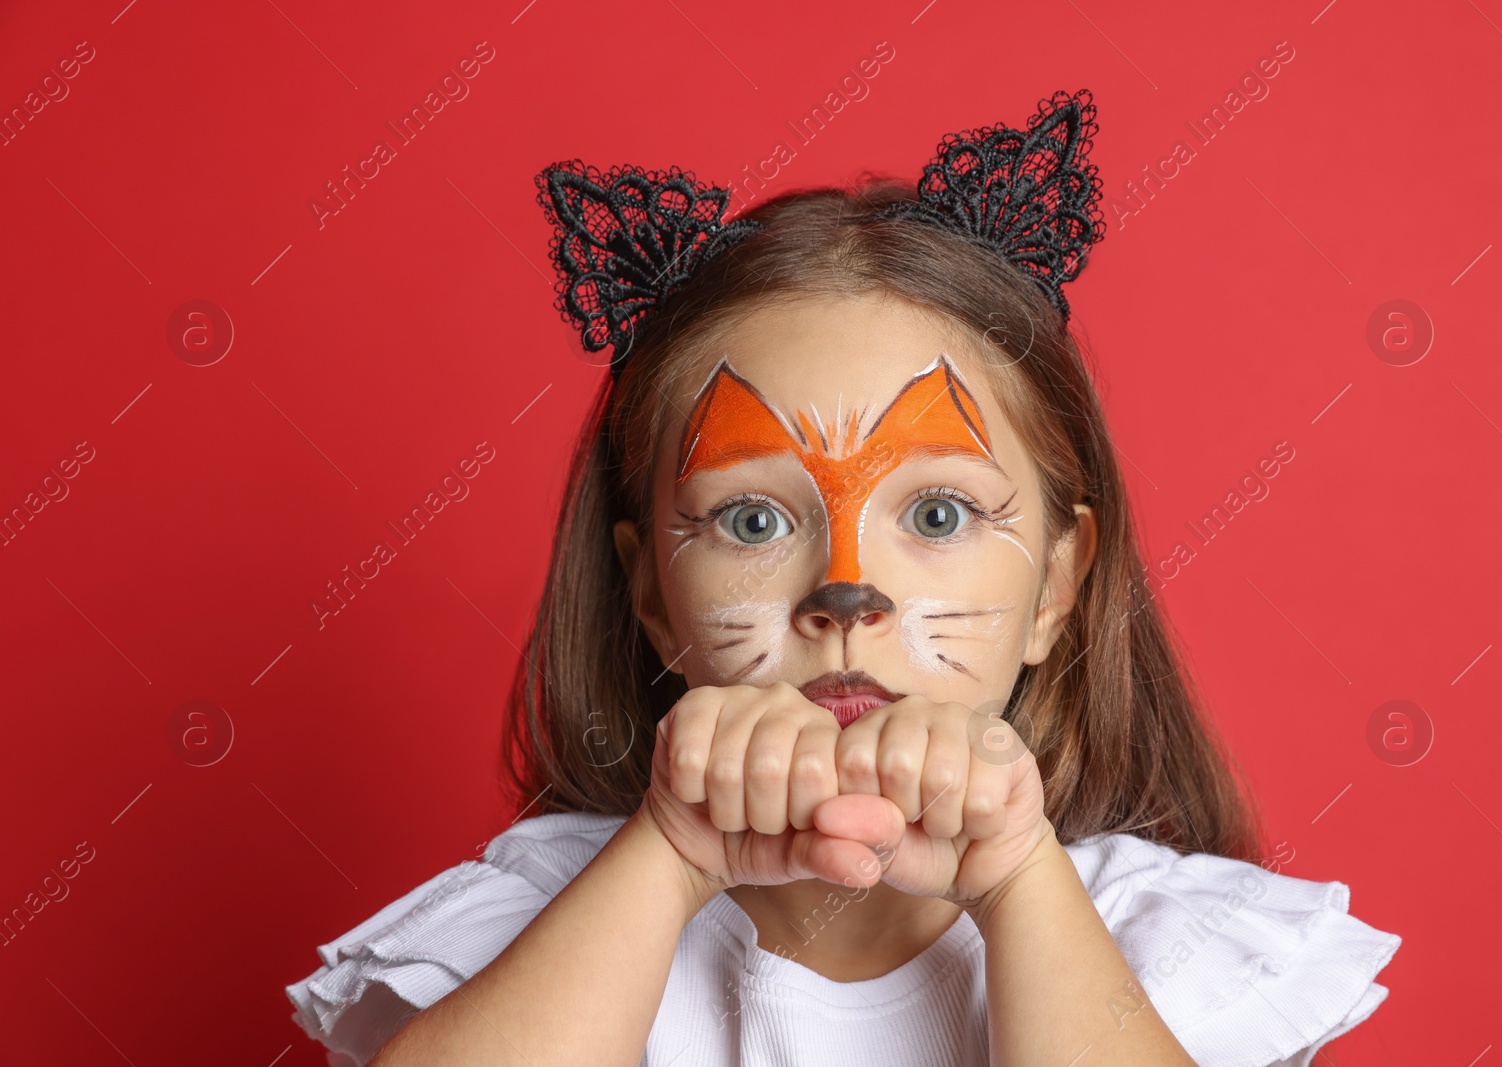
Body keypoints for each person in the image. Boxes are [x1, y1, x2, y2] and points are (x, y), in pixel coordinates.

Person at [285, 89, 1401, 1066]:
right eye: (754, 516)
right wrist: (670, 856)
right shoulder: (545, 922)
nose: (848, 591)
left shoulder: (1154, 940)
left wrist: (1016, 880)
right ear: (646, 592)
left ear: (1057, 587)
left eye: (937, 512)